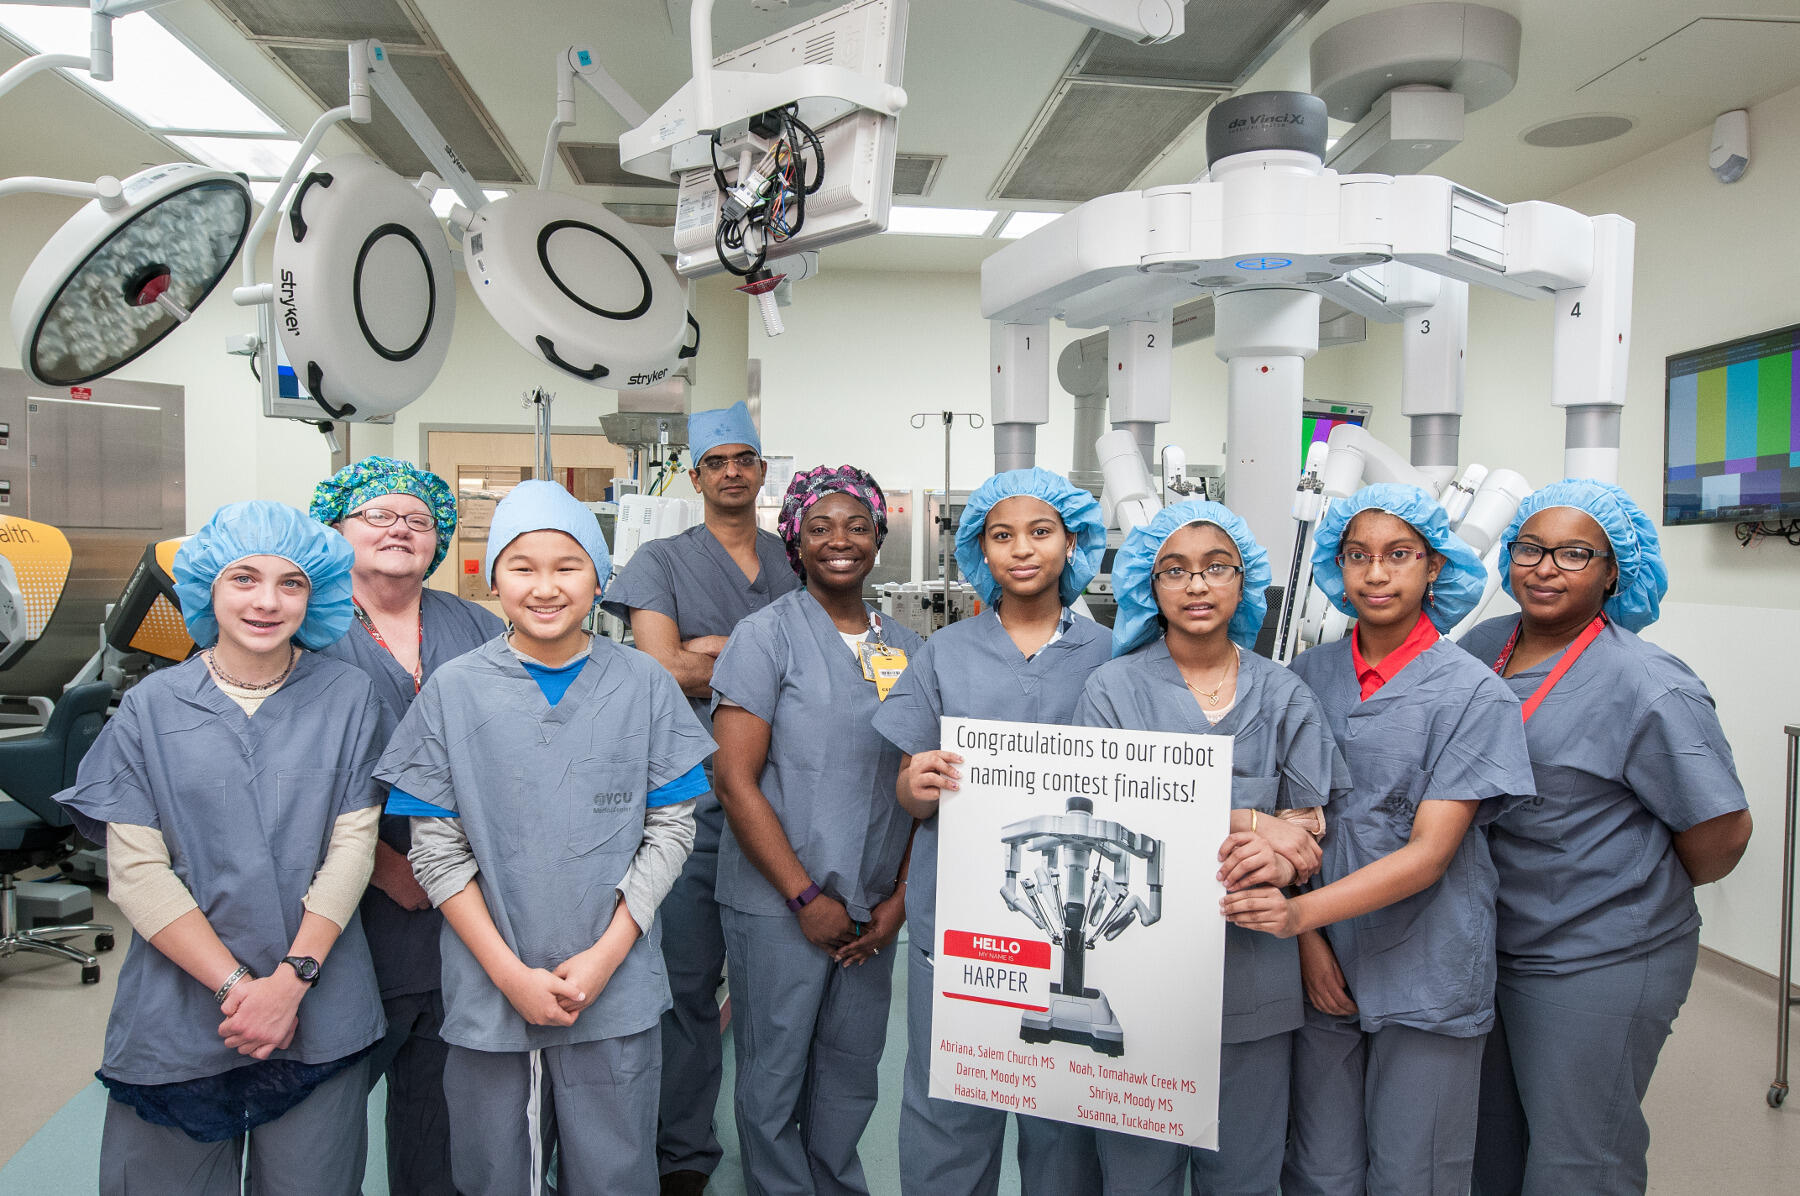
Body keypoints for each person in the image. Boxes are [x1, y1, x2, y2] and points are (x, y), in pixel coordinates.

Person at [376, 480, 714, 1196]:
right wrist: (507, 974)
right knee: (496, 1175)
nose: (545, 587)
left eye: (568, 566)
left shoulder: (644, 685)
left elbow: (669, 831)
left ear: (599, 578)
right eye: (522, 567)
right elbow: (434, 852)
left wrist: (604, 958)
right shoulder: (454, 689)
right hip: (491, 989)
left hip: (613, 987)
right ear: (492, 577)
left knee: (616, 1173)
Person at [59, 501, 387, 1195]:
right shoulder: (153, 707)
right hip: (180, 1007)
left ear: (318, 594)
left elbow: (353, 851)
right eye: (244, 578)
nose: (267, 601)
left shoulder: (350, 698)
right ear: (207, 586)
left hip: (318, 1004)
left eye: (290, 583)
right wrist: (241, 990)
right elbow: (138, 872)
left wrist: (291, 979)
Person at [1221, 483, 1536, 1196]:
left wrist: (1300, 917)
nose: (1376, 573)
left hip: (1428, 964)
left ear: (1435, 567)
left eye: (1399, 555)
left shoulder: (1472, 694)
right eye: (1357, 555)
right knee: (1320, 1170)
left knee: (1413, 1174)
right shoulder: (1305, 678)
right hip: (1318, 961)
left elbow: (1429, 854)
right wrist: (1304, 944)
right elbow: (1279, 820)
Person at [1463, 480, 1751, 1196]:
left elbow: (1721, 834)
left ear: (1615, 570)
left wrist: (1617, 889)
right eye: (1530, 547)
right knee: (1490, 1147)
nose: (1545, 567)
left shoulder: (1648, 684)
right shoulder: (1482, 646)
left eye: (1573, 553)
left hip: (1599, 957)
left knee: (1578, 1160)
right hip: (1490, 943)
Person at [1073, 501, 1344, 1196]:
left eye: (1216, 568)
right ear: (1148, 587)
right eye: (1175, 571)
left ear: (1243, 582)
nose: (1196, 586)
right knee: (1136, 1176)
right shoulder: (1112, 691)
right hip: (1136, 972)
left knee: (1246, 1175)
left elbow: (1309, 824)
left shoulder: (1285, 693)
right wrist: (1255, 822)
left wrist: (1286, 855)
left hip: (1253, 966)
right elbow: (1106, 818)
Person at [871, 467, 1112, 1196]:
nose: (1022, 550)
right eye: (1001, 536)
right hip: (964, 921)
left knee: (1064, 1113)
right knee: (953, 1103)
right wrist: (915, 786)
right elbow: (910, 792)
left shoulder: (1114, 656)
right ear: (980, 551)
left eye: (1040, 532)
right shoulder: (944, 654)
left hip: (1080, 921)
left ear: (1073, 542)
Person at [601, 400, 801, 1195]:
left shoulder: (794, 560)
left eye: (743, 459)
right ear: (695, 476)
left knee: (775, 999)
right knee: (684, 990)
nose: (730, 472)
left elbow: (821, 668)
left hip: (782, 809)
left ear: (761, 470)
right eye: (715, 461)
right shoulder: (659, 560)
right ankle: (682, 1155)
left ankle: (781, 1158)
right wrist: (759, 665)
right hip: (688, 810)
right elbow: (657, 673)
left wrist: (707, 653)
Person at [709, 465, 924, 1196]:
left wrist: (896, 901)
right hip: (781, 905)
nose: (841, 541)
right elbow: (734, 781)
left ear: (878, 538)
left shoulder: (910, 648)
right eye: (821, 527)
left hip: (872, 904)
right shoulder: (764, 637)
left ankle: (836, 1184)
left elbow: (924, 786)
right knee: (772, 1076)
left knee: (848, 1071)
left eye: (857, 526)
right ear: (794, 540)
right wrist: (806, 899)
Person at [310, 456, 503, 1196]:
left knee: (440, 1110)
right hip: (349, 908)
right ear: (336, 529)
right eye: (378, 515)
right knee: (322, 1114)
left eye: (419, 520)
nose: (401, 529)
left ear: (440, 539)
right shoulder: (306, 625)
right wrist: (386, 867)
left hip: (463, 901)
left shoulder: (476, 626)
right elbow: (297, 773)